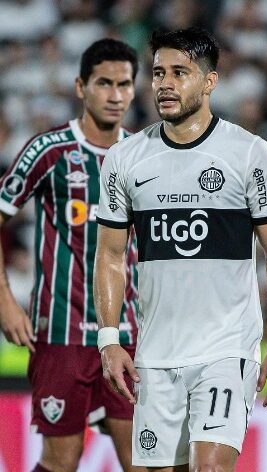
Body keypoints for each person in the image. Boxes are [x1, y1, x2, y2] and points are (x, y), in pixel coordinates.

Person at [93, 27, 267, 472]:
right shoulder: (125, 159)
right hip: (155, 354)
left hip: (226, 348)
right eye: (158, 73)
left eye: (179, 73)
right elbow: (109, 255)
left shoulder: (250, 156)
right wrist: (108, 340)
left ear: (209, 82)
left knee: (210, 467)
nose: (165, 84)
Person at [0, 39, 144, 472]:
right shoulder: (50, 150)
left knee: (142, 461)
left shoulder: (144, 155)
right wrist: (5, 303)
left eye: (124, 84)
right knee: (62, 461)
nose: (115, 95)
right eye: (104, 83)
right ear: (81, 87)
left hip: (127, 334)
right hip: (62, 333)